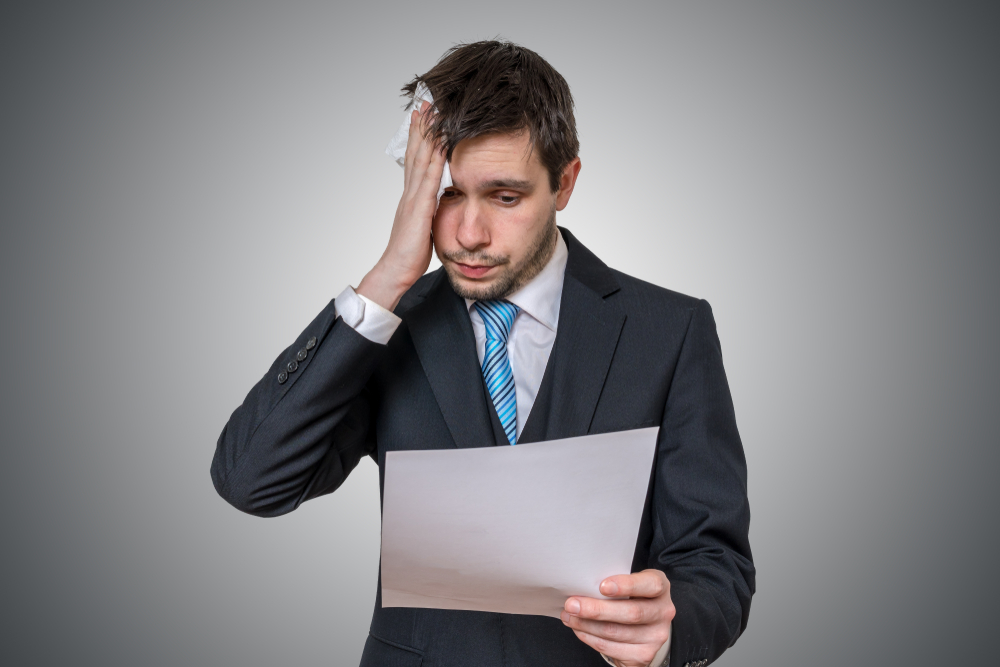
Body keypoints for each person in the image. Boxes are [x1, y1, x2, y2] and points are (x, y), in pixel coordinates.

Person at [211, 40, 754, 667]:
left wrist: (669, 626)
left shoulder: (670, 330)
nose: (468, 235)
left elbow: (716, 565)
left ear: (566, 183)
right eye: (447, 195)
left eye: (504, 197)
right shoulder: (390, 327)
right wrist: (390, 275)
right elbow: (251, 480)